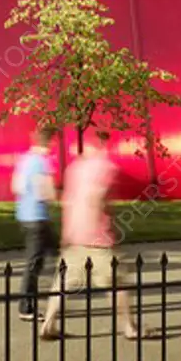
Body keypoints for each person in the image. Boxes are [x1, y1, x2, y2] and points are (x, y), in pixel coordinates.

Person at [39, 129, 149, 341]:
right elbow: (96, 196)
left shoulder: (74, 168)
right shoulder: (106, 167)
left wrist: (66, 234)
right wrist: (107, 221)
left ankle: (48, 324)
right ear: (102, 145)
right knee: (116, 284)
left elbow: (67, 201)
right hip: (98, 237)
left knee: (62, 283)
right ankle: (129, 327)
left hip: (74, 235)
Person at [11, 125, 57, 321]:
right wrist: (56, 197)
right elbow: (45, 192)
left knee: (54, 255)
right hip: (38, 217)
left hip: (25, 215)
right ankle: (26, 307)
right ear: (49, 141)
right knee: (34, 263)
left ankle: (58, 290)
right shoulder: (41, 162)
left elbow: (16, 187)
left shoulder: (24, 159)